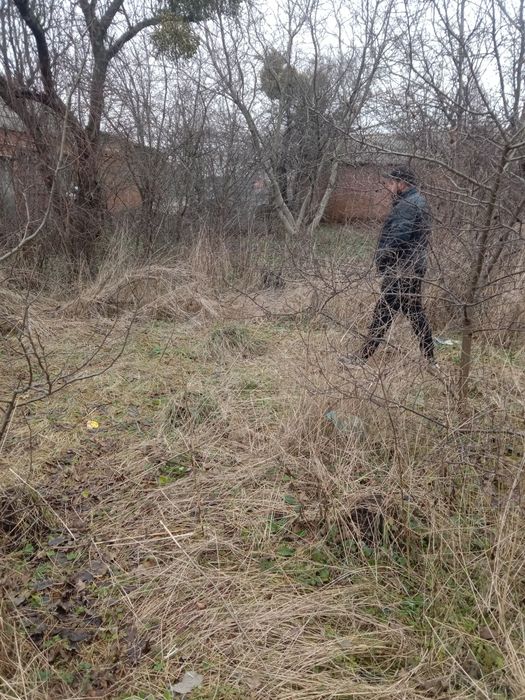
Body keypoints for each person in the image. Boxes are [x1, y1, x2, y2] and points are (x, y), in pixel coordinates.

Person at [341, 164, 436, 367]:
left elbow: (397, 238)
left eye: (391, 183)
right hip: (411, 268)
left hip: (402, 270)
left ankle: (362, 358)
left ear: (401, 184)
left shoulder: (408, 205)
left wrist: (383, 261)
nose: (388, 187)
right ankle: (430, 359)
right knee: (414, 313)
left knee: (384, 313)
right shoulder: (416, 201)